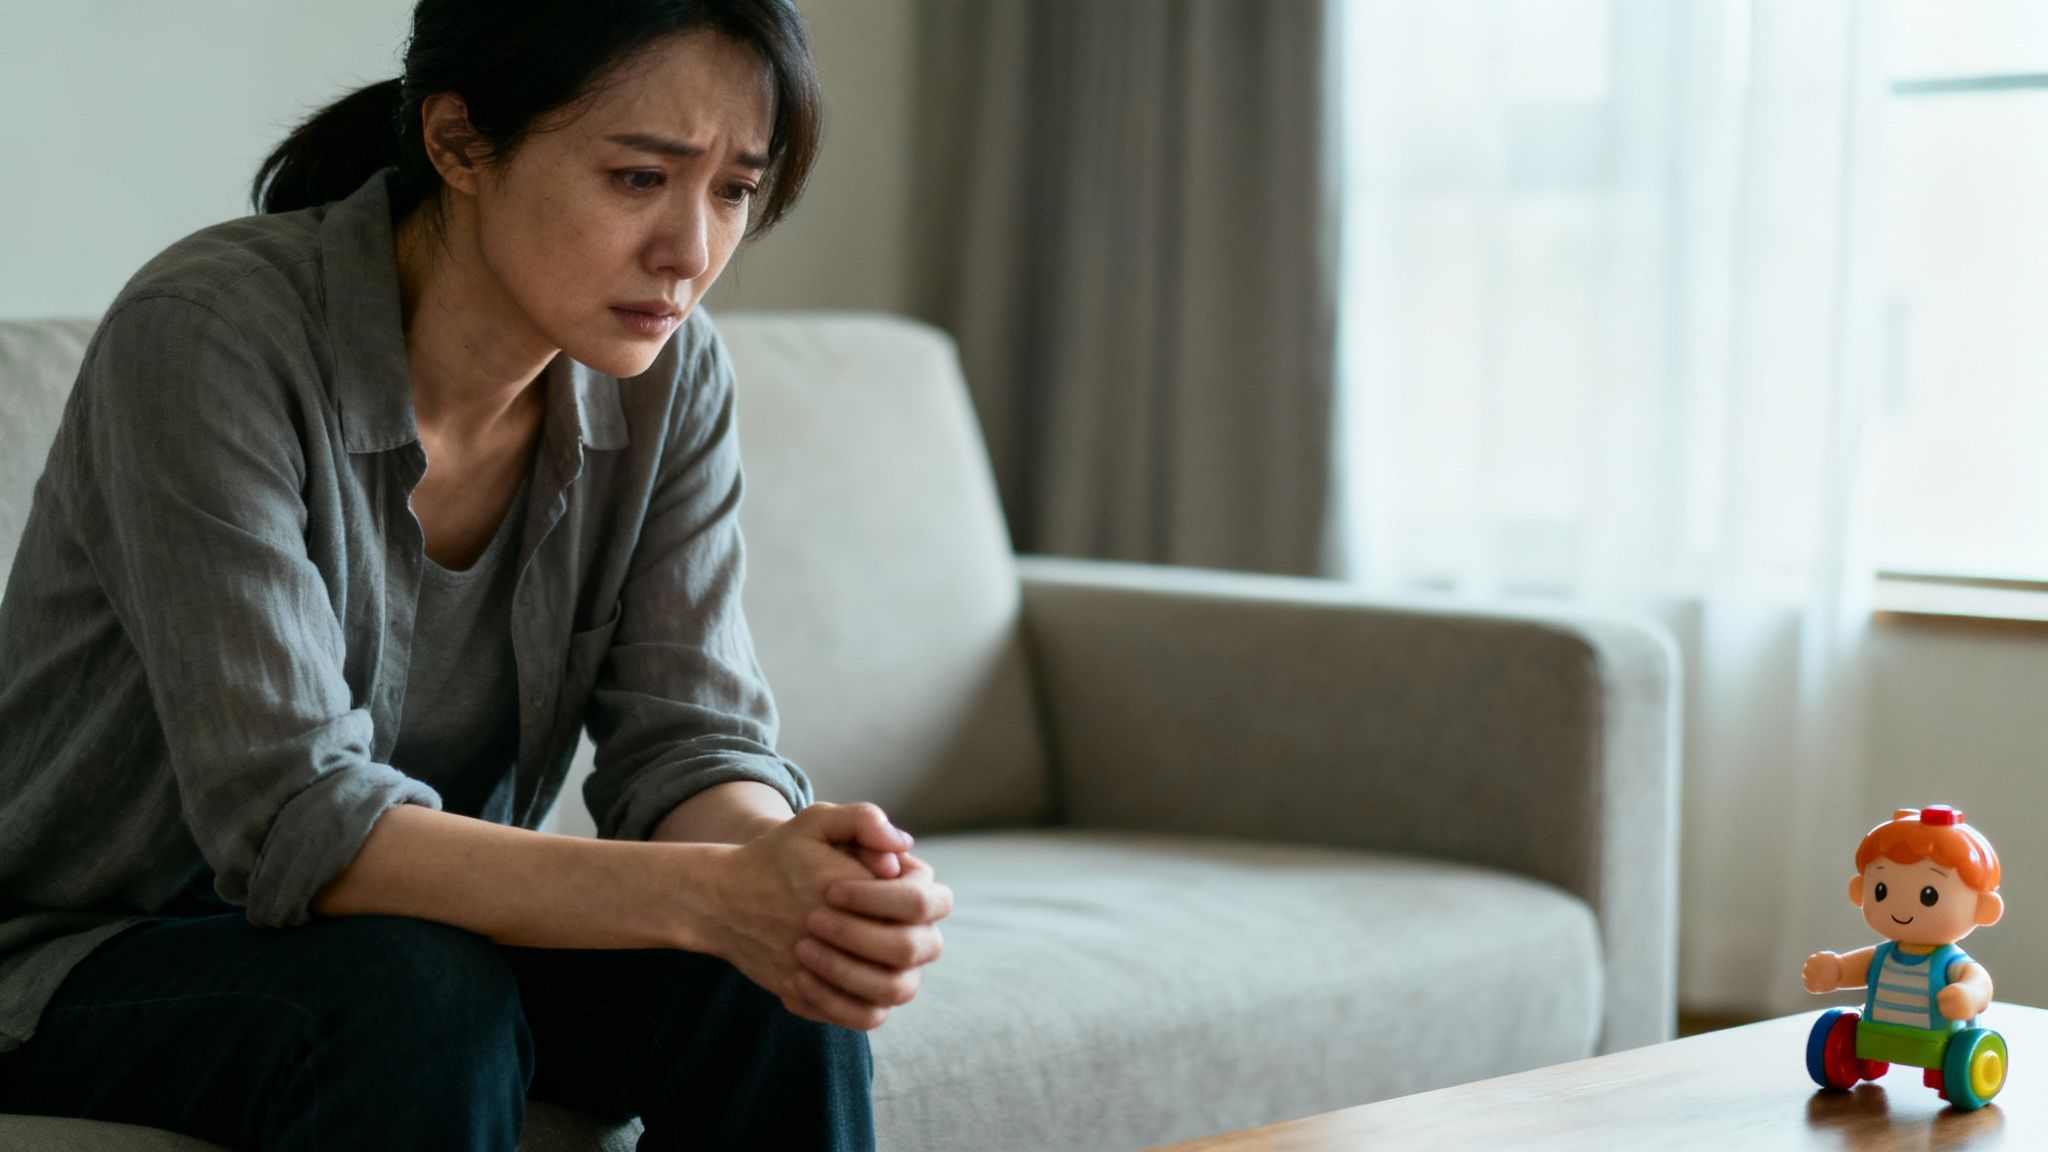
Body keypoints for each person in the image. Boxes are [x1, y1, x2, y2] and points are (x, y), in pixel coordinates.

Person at [0, 2, 949, 1148]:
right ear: (457, 144)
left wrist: (796, 875)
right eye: (640, 179)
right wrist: (712, 897)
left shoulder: (668, 374)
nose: (690, 253)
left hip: (424, 924)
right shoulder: (210, 335)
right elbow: (295, 816)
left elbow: (689, 740)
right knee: (413, 993)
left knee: (769, 974)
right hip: (86, 949)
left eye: (734, 190)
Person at [1801, 804, 2003, 1101]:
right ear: (1860, 891)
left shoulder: (1950, 962)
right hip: (1872, 1033)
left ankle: (1947, 1071)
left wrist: (1968, 994)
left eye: (1929, 895)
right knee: (1838, 1027)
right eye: (1881, 889)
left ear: (1983, 908)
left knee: (1957, 1053)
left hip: (1938, 1041)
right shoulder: (1882, 956)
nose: (1902, 908)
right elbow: (1851, 968)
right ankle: (1856, 1053)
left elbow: (1979, 982)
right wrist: (1835, 971)